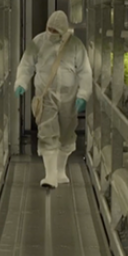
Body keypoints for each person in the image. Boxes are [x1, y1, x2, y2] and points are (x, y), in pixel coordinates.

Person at [15, 10, 92, 188]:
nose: (50, 33)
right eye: (49, 28)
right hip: (46, 94)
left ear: (63, 31)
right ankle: (50, 175)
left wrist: (83, 94)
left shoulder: (75, 45)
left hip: (69, 96)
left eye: (55, 31)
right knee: (46, 131)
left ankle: (60, 171)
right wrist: (21, 82)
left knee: (66, 132)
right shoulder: (38, 42)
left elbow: (85, 71)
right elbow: (26, 64)